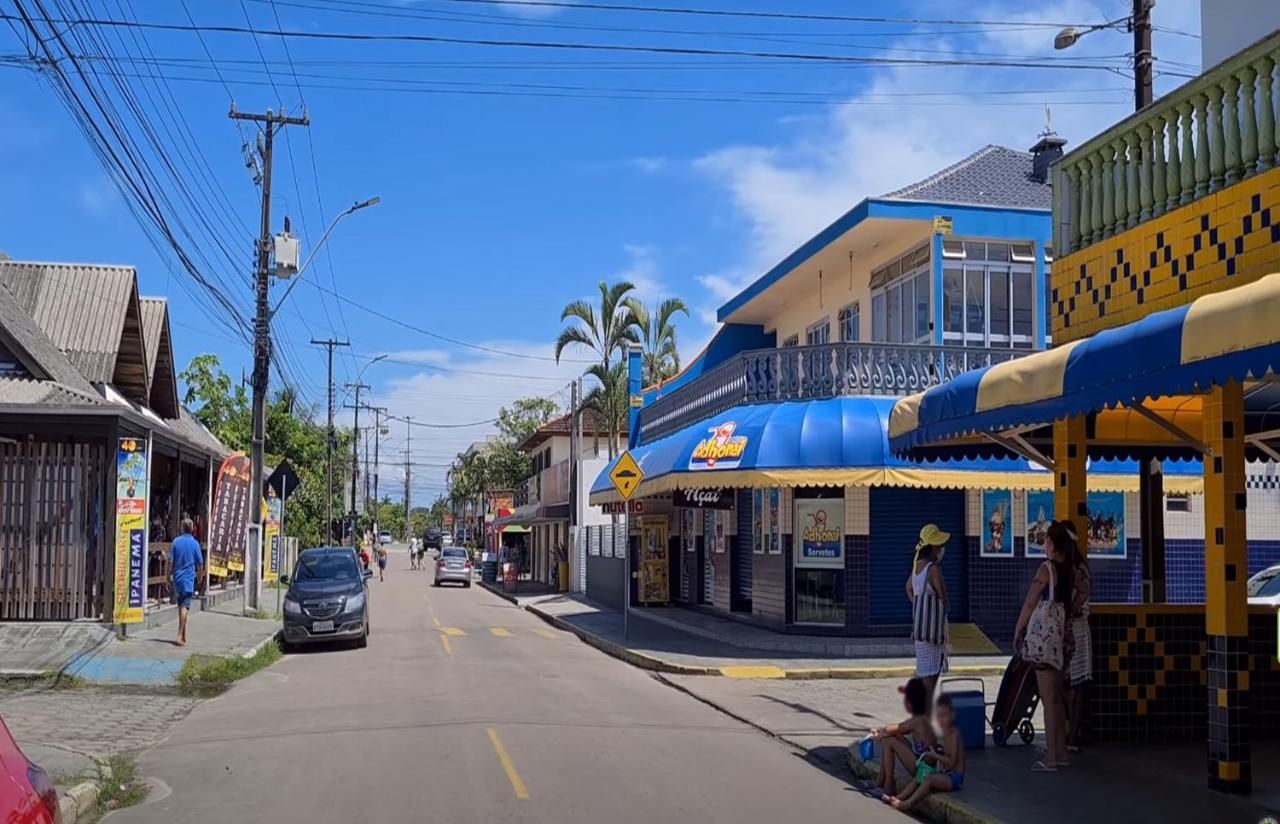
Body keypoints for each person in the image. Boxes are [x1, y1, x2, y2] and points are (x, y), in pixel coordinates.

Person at [1014, 520, 1075, 772]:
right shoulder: (1068, 570)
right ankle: (1061, 753)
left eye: (1047, 539)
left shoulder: (1046, 569)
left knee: (1048, 699)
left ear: (1052, 543)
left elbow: (1030, 604)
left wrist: (1018, 630)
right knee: (1057, 699)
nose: (1044, 544)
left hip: (1043, 641)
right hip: (1061, 638)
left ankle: (1050, 758)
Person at [884, 693, 966, 812]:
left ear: (952, 715)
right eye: (939, 716)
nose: (942, 719)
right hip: (945, 772)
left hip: (954, 779)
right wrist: (939, 750)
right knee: (920, 776)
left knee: (929, 779)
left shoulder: (953, 734)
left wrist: (935, 755)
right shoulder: (946, 732)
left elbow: (952, 762)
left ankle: (907, 804)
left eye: (945, 715)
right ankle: (898, 798)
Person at [868, 677, 938, 798]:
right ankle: (880, 781)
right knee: (894, 736)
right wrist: (881, 731)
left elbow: (895, 728)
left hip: (923, 769)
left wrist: (879, 735)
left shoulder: (918, 720)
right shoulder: (920, 717)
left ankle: (888, 786)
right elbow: (896, 729)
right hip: (922, 762)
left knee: (889, 741)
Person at [908, 524, 950, 704]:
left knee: (923, 673)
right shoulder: (933, 569)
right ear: (932, 547)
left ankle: (922, 720)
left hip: (920, 631)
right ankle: (923, 722)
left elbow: (908, 588)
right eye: (939, 546)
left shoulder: (917, 567)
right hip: (933, 632)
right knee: (931, 680)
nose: (941, 550)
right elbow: (943, 597)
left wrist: (919, 608)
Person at [1064, 522, 1091, 752]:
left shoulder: (1076, 568)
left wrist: (1069, 611)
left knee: (1074, 684)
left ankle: (1071, 734)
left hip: (1076, 629)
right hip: (1070, 628)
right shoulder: (1071, 565)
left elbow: (1084, 592)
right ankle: (1068, 732)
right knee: (1070, 685)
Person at [170, 518, 204, 647]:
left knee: (181, 606)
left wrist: (168, 575)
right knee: (184, 607)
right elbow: (200, 563)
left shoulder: (176, 542)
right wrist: (200, 577)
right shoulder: (195, 544)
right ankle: (179, 635)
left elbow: (170, 561)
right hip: (188, 579)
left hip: (177, 579)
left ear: (182, 528)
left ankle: (184, 634)